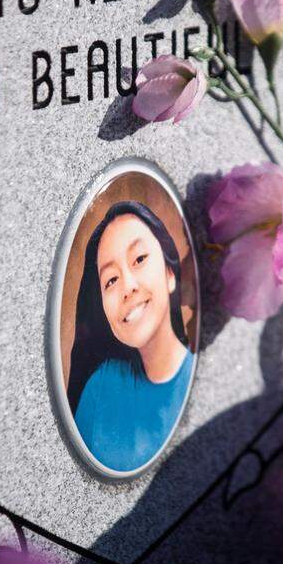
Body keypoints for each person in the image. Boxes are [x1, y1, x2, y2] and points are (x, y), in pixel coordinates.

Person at [68, 201, 194, 472]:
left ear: (170, 273)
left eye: (139, 259)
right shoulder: (100, 387)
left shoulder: (200, 374)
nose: (128, 287)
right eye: (111, 280)